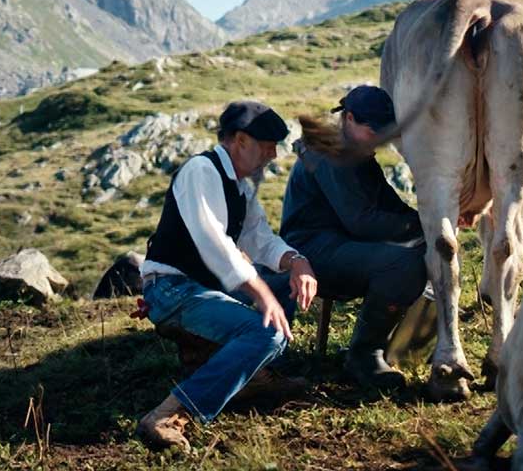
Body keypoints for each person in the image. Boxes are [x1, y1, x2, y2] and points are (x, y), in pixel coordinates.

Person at [137, 100, 319, 453]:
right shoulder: (201, 171)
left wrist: (298, 262)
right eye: (267, 146)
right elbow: (213, 243)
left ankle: (250, 377)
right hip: (171, 290)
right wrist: (259, 293)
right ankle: (170, 414)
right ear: (240, 141)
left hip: (199, 289)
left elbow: (261, 239)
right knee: (268, 332)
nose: (273, 155)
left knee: (282, 286)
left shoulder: (241, 188)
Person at [281, 85, 429, 391]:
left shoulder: (357, 152)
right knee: (403, 264)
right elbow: (361, 221)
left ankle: (405, 344)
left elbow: (389, 206)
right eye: (373, 130)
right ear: (348, 118)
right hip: (311, 251)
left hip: (340, 243)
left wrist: (431, 226)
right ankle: (364, 355)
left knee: (428, 250)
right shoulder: (329, 154)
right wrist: (421, 226)